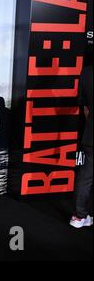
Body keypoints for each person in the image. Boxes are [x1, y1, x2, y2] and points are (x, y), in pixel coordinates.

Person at [70, 65, 93, 228]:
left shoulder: (86, 72)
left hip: (91, 133)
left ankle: (79, 217)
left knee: (86, 175)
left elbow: (84, 107)